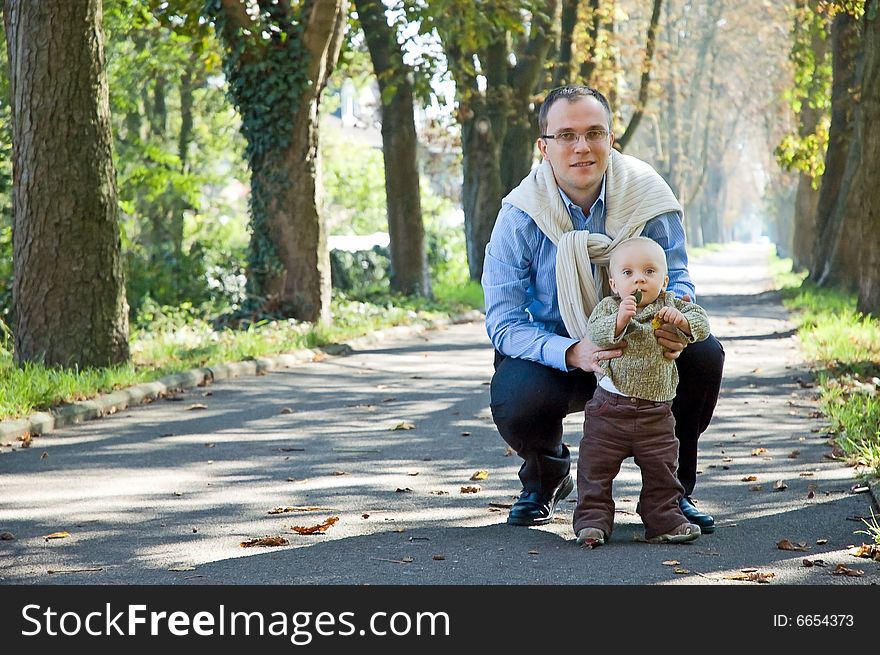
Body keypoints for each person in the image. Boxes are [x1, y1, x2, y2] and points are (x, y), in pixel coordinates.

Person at [481, 85, 724, 532]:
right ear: (544, 147)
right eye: (566, 135)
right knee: (517, 392)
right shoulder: (520, 215)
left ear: (611, 139)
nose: (581, 147)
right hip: (563, 354)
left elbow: (679, 277)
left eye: (595, 133)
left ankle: (674, 493)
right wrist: (573, 351)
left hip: (644, 349)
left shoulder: (648, 198)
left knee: (704, 355)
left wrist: (676, 327)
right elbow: (504, 321)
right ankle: (545, 476)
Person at [572, 236, 709, 547]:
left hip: (656, 413)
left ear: (663, 281)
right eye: (628, 273)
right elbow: (596, 332)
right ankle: (592, 520)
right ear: (613, 284)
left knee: (662, 470)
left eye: (649, 272)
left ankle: (663, 518)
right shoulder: (609, 307)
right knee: (595, 468)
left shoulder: (670, 304)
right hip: (609, 410)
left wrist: (684, 322)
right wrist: (619, 320)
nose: (639, 279)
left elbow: (702, 321)